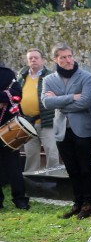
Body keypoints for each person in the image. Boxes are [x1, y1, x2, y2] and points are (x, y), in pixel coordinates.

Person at [42, 43, 91, 219]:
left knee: (85, 167)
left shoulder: (86, 77)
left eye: (69, 56)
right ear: (55, 59)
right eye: (63, 57)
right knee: (71, 169)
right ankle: (78, 202)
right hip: (61, 130)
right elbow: (46, 103)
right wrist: (71, 97)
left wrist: (58, 100)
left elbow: (85, 102)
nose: (68, 60)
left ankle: (90, 203)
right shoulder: (48, 80)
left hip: (83, 129)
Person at [18, 48, 58, 172]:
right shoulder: (22, 77)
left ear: (42, 60)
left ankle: (54, 181)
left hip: (46, 121)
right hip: (27, 123)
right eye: (30, 58)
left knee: (51, 153)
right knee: (30, 155)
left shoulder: (51, 76)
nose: (33, 60)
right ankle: (32, 184)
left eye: (36, 58)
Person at [0, 61, 29, 210]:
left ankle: (20, 199)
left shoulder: (7, 74)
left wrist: (2, 99)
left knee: (14, 167)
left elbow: (17, 94)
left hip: (7, 127)